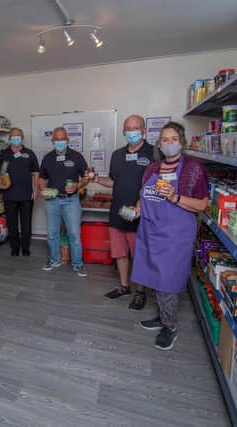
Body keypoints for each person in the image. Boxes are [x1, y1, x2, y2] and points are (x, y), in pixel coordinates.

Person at [130, 122, 209, 351]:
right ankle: (162, 317)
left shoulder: (193, 168)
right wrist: (136, 210)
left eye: (174, 139)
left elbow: (202, 204)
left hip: (176, 234)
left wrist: (175, 197)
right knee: (154, 276)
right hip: (150, 230)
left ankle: (171, 327)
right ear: (159, 144)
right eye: (165, 140)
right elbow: (143, 196)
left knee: (168, 281)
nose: (169, 143)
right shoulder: (152, 169)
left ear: (182, 142)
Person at [97, 115, 155, 311]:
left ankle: (140, 292)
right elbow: (115, 181)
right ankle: (124, 286)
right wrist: (97, 179)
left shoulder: (153, 153)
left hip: (140, 215)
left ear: (144, 130)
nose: (131, 131)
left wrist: (139, 206)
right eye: (128, 128)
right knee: (120, 254)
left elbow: (155, 186)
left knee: (139, 255)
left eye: (135, 128)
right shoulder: (117, 155)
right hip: (117, 213)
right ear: (123, 132)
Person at [39, 127, 89, 277]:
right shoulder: (47, 158)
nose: (60, 142)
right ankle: (54, 260)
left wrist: (77, 185)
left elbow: (87, 177)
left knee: (74, 234)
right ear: (52, 140)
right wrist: (42, 189)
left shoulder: (77, 157)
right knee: (52, 234)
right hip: (52, 201)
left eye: (63, 139)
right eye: (57, 139)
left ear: (67, 140)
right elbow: (42, 177)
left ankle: (78, 264)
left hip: (71, 200)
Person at [0, 128, 40, 256]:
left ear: (22, 138)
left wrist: (35, 189)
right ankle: (14, 248)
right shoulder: (4, 154)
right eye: (13, 136)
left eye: (18, 136)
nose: (16, 138)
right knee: (12, 224)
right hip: (9, 194)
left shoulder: (29, 153)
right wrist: (0, 183)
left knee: (26, 223)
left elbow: (36, 173)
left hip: (27, 195)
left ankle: (25, 248)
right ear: (9, 138)